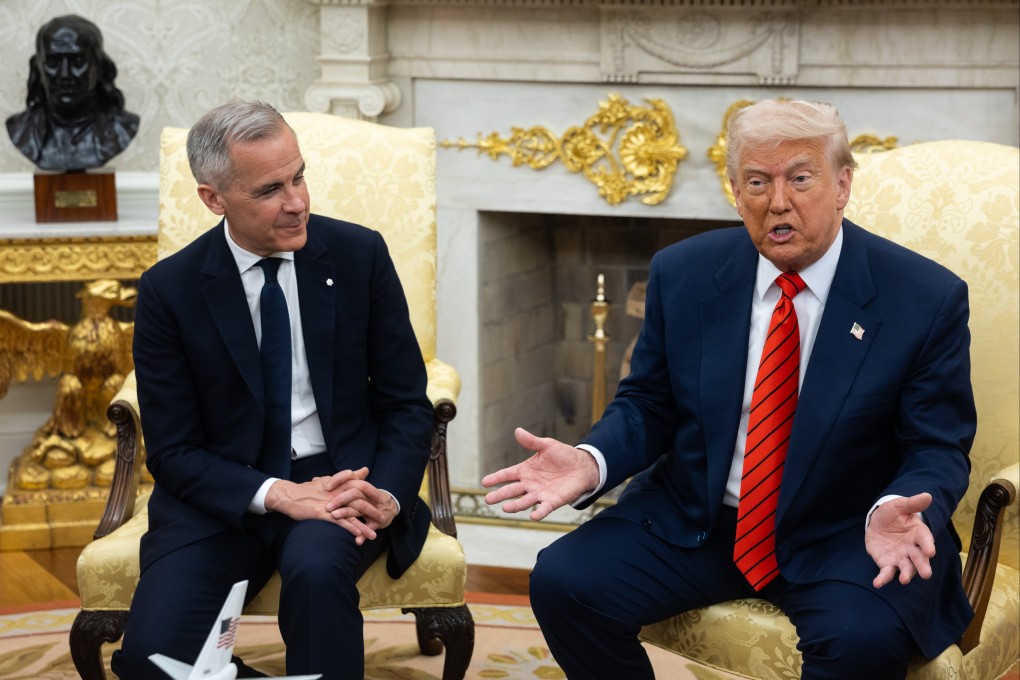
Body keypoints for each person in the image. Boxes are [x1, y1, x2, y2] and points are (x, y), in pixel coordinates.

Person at [483, 98, 975, 679]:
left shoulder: (923, 297)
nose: (778, 202)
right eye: (757, 182)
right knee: (566, 583)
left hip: (847, 529)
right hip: (704, 518)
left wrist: (894, 506)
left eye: (800, 178)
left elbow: (936, 445)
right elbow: (649, 402)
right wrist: (594, 461)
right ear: (735, 190)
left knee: (861, 641)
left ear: (842, 184)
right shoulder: (684, 272)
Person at [111, 100, 433, 679]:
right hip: (220, 500)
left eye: (300, 176)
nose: (298, 202)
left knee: (315, 580)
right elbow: (174, 452)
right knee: (149, 662)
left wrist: (385, 493)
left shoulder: (359, 256)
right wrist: (277, 493)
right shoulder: (170, 291)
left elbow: (406, 403)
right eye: (270, 190)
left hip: (340, 485)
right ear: (214, 199)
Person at [6, 14, 139, 171]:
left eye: (78, 62)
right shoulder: (21, 130)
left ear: (99, 67)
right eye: (53, 62)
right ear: (38, 67)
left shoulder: (121, 128)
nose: (64, 74)